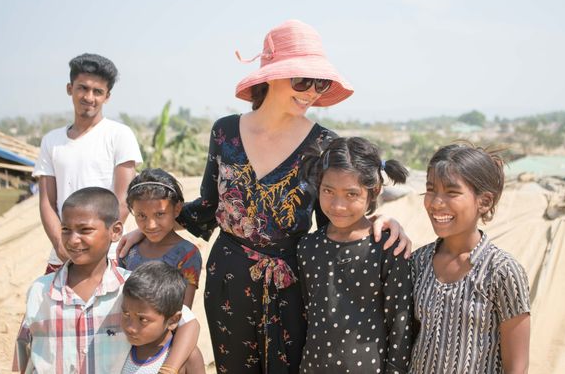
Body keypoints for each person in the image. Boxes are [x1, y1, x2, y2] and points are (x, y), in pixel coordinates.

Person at [118, 19, 412, 373]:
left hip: (292, 283)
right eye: (302, 80)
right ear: (270, 76)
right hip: (228, 279)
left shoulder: (324, 143)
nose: (311, 92)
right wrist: (154, 228)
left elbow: (334, 216)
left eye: (319, 83)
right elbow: (209, 207)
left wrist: (381, 220)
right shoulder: (224, 131)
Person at [13, 187, 200, 373]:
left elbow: (187, 323)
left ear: (116, 231)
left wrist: (169, 368)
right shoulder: (41, 290)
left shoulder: (131, 288)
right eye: (65, 230)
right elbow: (24, 352)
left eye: (85, 230)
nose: (73, 240)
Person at [410, 143, 531, 373]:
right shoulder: (418, 262)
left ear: (484, 202)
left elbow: (517, 365)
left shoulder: (502, 271)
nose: (436, 202)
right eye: (431, 189)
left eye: (452, 192)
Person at [297, 137, 414, 374]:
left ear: (374, 191)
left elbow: (401, 324)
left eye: (351, 194)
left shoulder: (387, 247)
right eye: (328, 191)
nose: (338, 205)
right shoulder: (307, 247)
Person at [34, 53, 142, 274]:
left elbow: (123, 201)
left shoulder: (119, 135)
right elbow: (47, 202)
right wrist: (61, 244)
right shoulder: (51, 141)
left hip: (107, 256)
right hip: (63, 255)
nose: (89, 97)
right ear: (69, 88)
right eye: (82, 88)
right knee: (45, 307)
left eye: (97, 91)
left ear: (107, 96)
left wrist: (96, 246)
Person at [119, 168, 206, 372]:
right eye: (141, 216)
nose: (150, 224)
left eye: (160, 214)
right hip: (127, 341)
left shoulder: (187, 254)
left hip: (165, 346)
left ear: (177, 210)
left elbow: (182, 312)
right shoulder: (128, 250)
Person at [121, 261, 202, 374]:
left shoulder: (188, 357)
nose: (130, 327)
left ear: (173, 320)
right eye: (126, 314)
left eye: (143, 320)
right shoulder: (121, 349)